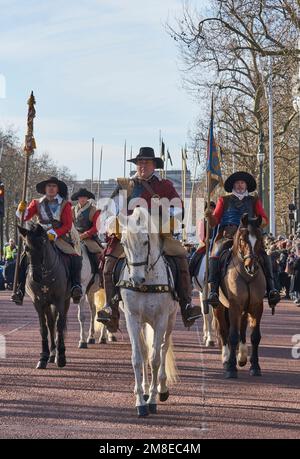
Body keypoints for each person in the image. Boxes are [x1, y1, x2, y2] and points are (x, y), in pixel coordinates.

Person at [97, 147, 202, 332]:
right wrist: (113, 220)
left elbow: (179, 209)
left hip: (158, 235)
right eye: (139, 163)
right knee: (108, 265)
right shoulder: (124, 185)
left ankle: (186, 305)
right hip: (130, 237)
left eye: (146, 162)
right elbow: (111, 209)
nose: (142, 166)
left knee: (181, 259)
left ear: (154, 165)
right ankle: (110, 307)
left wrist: (165, 215)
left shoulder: (165, 185)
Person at [205, 171, 281, 308]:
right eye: (237, 183)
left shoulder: (254, 200)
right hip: (228, 235)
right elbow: (214, 221)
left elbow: (264, 219)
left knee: (264, 255)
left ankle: (272, 289)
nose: (240, 185)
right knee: (215, 253)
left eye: (242, 183)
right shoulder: (223, 200)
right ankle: (214, 291)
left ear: (246, 185)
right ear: (233, 185)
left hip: (249, 235)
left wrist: (258, 222)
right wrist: (209, 216)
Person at [11, 176, 83, 305]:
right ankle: (19, 290)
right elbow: (25, 217)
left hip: (58, 237)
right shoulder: (36, 203)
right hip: (39, 237)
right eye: (49, 186)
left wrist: (54, 233)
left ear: (57, 189)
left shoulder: (65, 204)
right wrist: (21, 209)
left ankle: (75, 286)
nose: (51, 188)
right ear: (45, 188)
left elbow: (67, 225)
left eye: (54, 186)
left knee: (75, 257)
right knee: (23, 258)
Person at [71, 188, 103, 278]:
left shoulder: (94, 210)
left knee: (99, 254)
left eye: (84, 197)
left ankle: (99, 275)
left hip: (89, 238)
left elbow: (96, 227)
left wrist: (84, 235)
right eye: (81, 197)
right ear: (78, 198)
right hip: (74, 236)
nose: (82, 199)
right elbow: (69, 224)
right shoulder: (72, 210)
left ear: (87, 198)